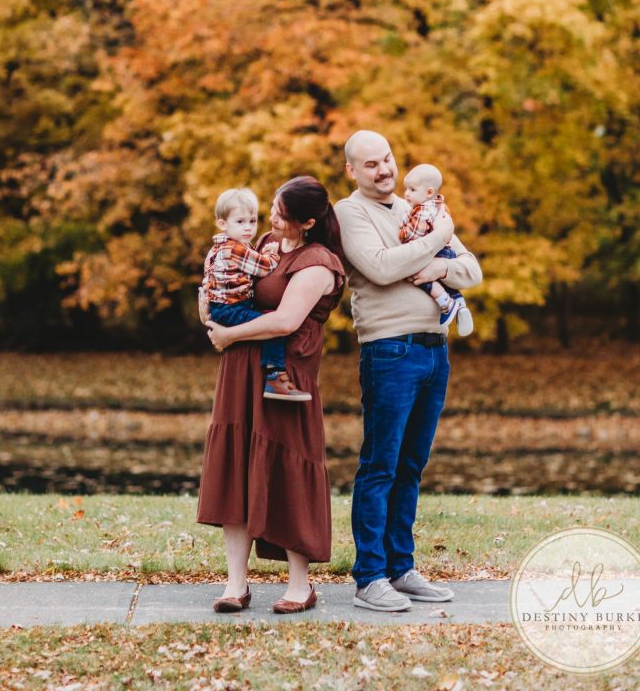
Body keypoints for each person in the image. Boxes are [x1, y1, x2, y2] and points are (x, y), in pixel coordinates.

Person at [334, 130, 482, 612]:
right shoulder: (349, 213)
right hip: (388, 350)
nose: (384, 170)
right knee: (380, 465)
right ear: (352, 170)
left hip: (435, 351)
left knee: (412, 466)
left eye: (388, 159)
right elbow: (378, 267)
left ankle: (402, 568)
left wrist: (439, 268)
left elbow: (472, 271)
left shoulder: (415, 208)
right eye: (371, 163)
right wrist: (439, 242)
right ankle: (370, 577)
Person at [198, 176, 345, 615]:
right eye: (272, 210)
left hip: (286, 378)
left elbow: (284, 322)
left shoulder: (318, 262)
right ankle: (235, 584)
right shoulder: (261, 243)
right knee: (237, 470)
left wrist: (227, 335)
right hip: (241, 373)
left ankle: (300, 585)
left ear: (307, 221)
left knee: (289, 472)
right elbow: (219, 282)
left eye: (280, 213)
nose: (271, 218)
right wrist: (207, 308)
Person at [199, 186, 311, 401]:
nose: (248, 228)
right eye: (240, 222)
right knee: (272, 326)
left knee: (266, 323)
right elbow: (264, 266)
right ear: (223, 224)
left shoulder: (216, 249)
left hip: (221, 307)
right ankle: (274, 375)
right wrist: (271, 253)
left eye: (252, 221)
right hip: (231, 309)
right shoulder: (235, 249)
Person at [400, 164, 474, 336]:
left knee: (416, 275)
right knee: (437, 278)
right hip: (447, 252)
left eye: (412, 189)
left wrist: (401, 230)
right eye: (406, 189)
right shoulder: (439, 206)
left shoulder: (422, 211)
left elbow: (410, 236)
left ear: (428, 192)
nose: (406, 194)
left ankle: (445, 303)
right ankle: (459, 302)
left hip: (436, 253)